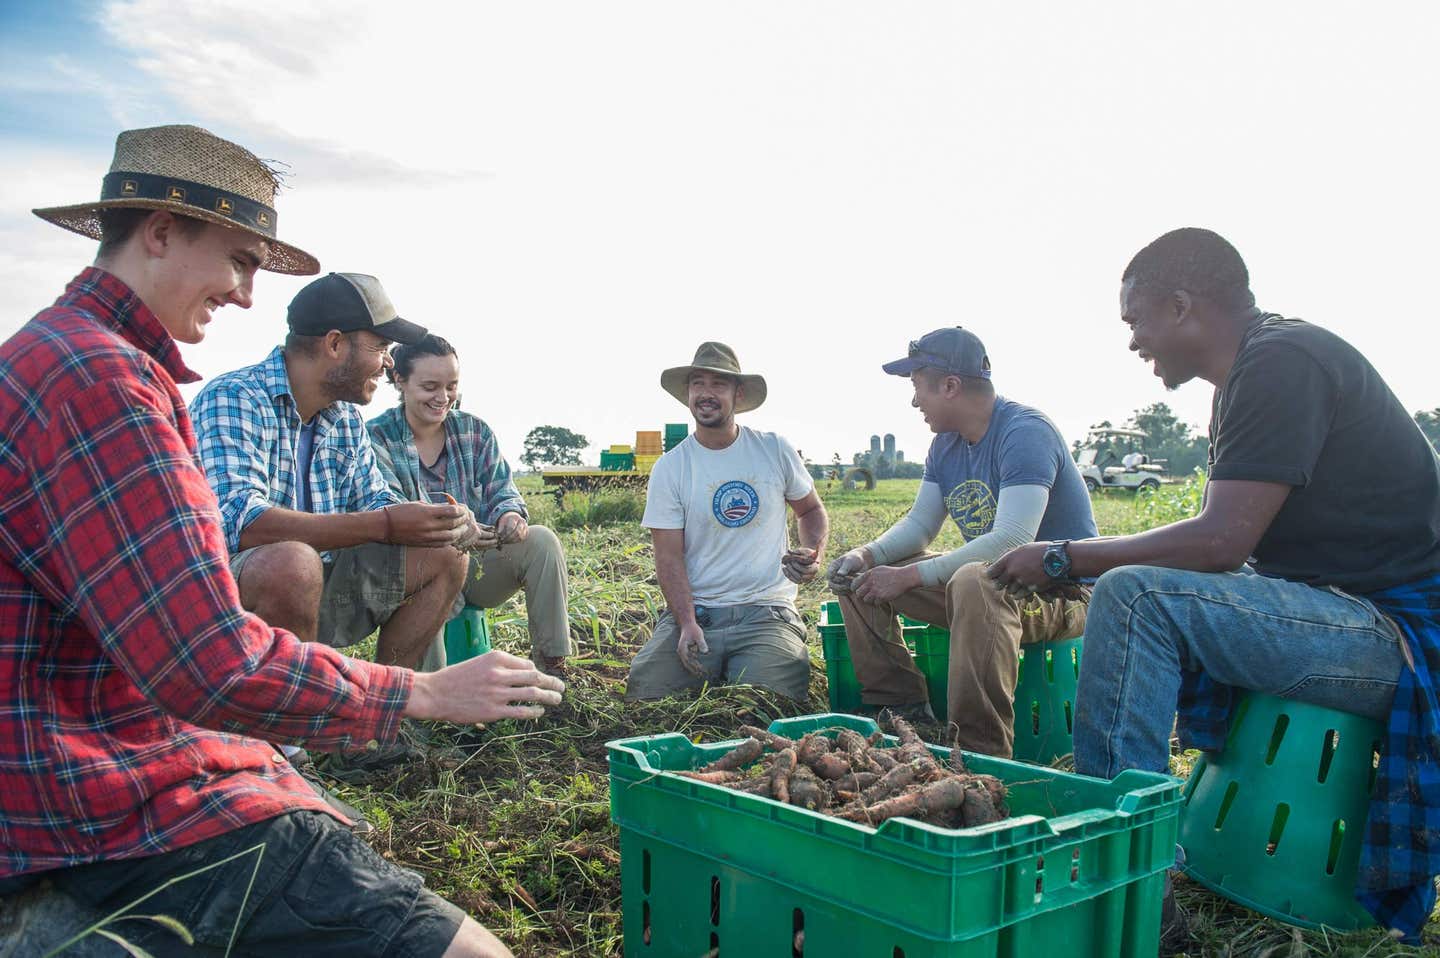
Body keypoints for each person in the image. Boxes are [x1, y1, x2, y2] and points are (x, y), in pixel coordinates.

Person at [0, 124, 562, 958]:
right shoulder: (105, 383)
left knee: (410, 561)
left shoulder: (64, 357)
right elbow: (204, 657)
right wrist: (426, 693)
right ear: (159, 231)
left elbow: (373, 511)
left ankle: (322, 745)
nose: (246, 293)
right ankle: (314, 740)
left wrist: (426, 524)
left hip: (112, 725)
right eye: (238, 260)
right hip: (106, 786)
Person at [988, 227, 1440, 940]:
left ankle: (1123, 881)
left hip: (1398, 638)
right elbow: (1227, 549)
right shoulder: (1253, 375)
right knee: (1143, 587)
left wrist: (1063, 557)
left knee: (1137, 596)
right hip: (1345, 612)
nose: (1134, 342)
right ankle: (1132, 842)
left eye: (1134, 320)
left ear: (1180, 305)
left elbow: (1221, 543)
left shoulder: (1282, 363)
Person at [826, 327, 1097, 755]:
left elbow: (1012, 540)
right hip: (997, 587)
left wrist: (910, 576)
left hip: (1061, 591)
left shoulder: (1024, 431)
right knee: (861, 576)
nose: (915, 402)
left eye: (918, 388)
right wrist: (866, 554)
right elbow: (920, 525)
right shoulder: (946, 444)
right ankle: (901, 709)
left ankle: (977, 753)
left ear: (950, 386)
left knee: (973, 580)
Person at [190, 272, 471, 673]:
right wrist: (387, 524)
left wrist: (428, 521)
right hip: (223, 603)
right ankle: (289, 726)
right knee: (291, 564)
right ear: (335, 344)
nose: (389, 362)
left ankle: (386, 713)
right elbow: (240, 522)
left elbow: (376, 501)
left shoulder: (344, 419)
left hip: (316, 585)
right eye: (380, 347)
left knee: (443, 554)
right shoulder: (234, 399)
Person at [626, 342, 828, 700]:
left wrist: (812, 552)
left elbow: (810, 510)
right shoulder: (671, 468)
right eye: (697, 384)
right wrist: (686, 622)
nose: (705, 394)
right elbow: (668, 557)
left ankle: (750, 665)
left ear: (739, 393)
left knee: (768, 700)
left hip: (766, 612)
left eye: (718, 384)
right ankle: (709, 659)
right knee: (646, 692)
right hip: (698, 613)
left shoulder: (772, 450)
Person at [368, 334, 573, 674]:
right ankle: (427, 700)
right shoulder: (377, 438)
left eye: (451, 386)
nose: (443, 397)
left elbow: (502, 490)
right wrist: (457, 531)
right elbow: (391, 511)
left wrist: (509, 515)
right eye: (430, 386)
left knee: (542, 541)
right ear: (400, 380)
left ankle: (553, 667)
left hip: (476, 565)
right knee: (432, 560)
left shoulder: (473, 431)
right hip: (413, 570)